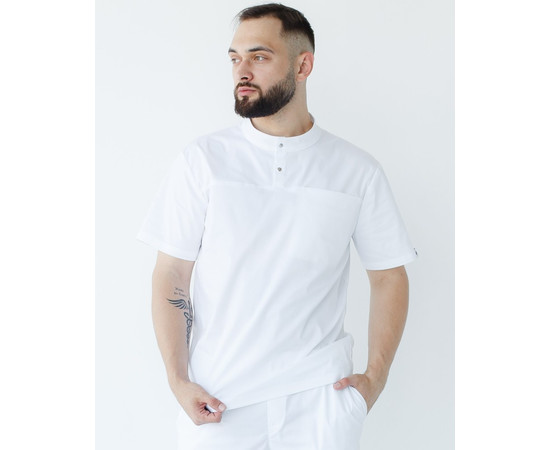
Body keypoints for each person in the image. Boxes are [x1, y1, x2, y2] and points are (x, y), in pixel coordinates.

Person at [137, 3, 417, 449]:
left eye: (259, 56)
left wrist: (374, 380)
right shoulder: (203, 161)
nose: (242, 71)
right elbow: (171, 273)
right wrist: (178, 380)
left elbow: (389, 275)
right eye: (235, 58)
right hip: (218, 404)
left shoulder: (356, 171)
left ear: (303, 66)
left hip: (320, 404)